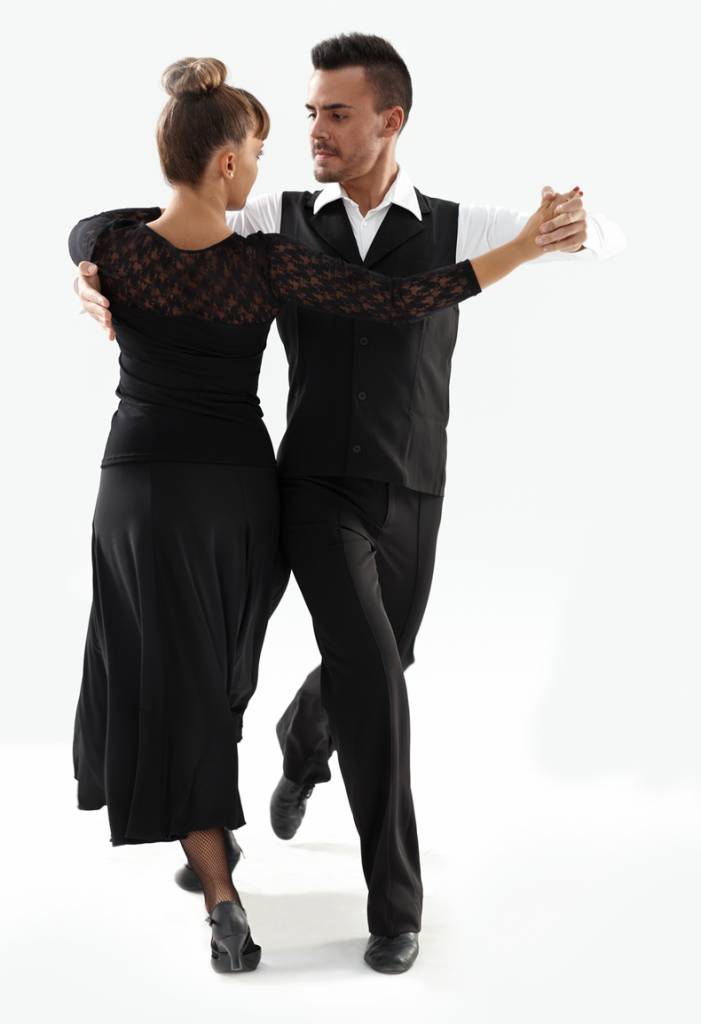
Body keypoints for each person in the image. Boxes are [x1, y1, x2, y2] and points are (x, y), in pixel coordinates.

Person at [68, 54, 555, 974]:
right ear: (227, 162)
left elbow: (102, 223)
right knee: (273, 677)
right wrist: (518, 254)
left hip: (178, 485)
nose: (293, 145)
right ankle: (381, 902)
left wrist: (86, 258)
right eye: (273, 136)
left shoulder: (125, 249)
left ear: (390, 119)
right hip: (264, 491)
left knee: (207, 673)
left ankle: (229, 837)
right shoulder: (267, 251)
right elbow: (398, 301)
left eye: (332, 113)